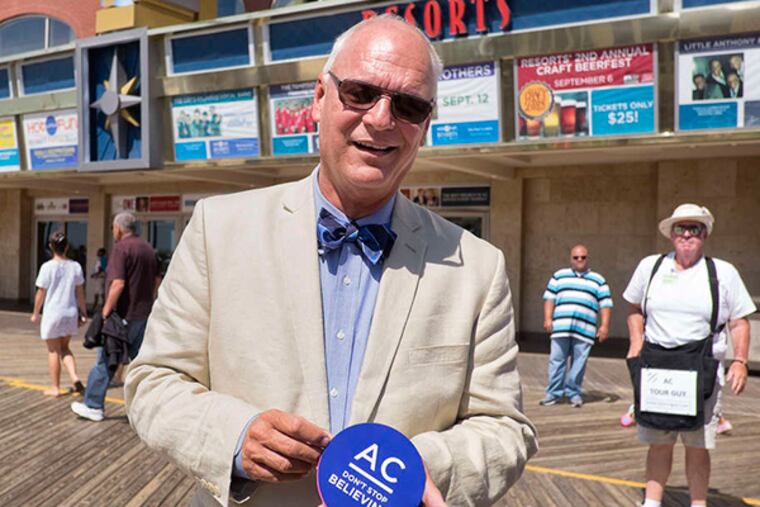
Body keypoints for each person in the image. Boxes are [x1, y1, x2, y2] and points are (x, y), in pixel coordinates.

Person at [125, 14, 537, 507]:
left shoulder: (478, 267)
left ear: (425, 124)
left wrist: (416, 471)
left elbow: (506, 430)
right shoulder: (219, 228)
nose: (381, 119)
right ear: (320, 98)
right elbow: (154, 381)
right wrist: (235, 437)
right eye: (360, 92)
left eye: (407, 105)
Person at [622, 203, 755, 507]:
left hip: (702, 369)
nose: (686, 235)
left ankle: (698, 504)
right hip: (658, 367)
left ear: (704, 234)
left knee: (698, 445)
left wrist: (740, 361)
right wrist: (636, 342)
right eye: (679, 229)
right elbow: (633, 308)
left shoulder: (723, 272)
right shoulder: (650, 267)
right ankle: (652, 503)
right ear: (670, 235)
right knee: (658, 442)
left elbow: (739, 321)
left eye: (693, 229)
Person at [71, 212, 160, 422]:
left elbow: (118, 284)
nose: (113, 231)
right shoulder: (148, 249)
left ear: (118, 228)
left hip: (121, 317)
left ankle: (93, 405)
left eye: (113, 228)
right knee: (141, 363)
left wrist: (105, 313)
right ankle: (146, 410)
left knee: (105, 360)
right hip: (142, 315)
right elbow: (157, 280)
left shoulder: (122, 249)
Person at [540, 244, 613, 408]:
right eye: (576, 257)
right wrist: (547, 318)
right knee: (556, 361)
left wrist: (604, 326)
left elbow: (606, 304)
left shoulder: (598, 280)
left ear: (587, 258)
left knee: (579, 363)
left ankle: (573, 393)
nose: (579, 260)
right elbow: (549, 298)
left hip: (585, 329)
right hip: (561, 327)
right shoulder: (559, 276)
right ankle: (553, 394)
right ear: (570, 258)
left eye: (583, 257)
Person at [31, 232, 87, 397]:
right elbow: (80, 293)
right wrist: (83, 312)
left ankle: (55, 387)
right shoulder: (75, 266)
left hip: (53, 313)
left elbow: (41, 292)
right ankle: (75, 377)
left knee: (53, 350)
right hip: (70, 312)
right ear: (67, 247)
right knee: (65, 348)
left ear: (50, 247)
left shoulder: (47, 267)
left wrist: (35, 312)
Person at [89, 247, 107, 314]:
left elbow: (101, 269)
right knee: (99, 293)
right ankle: (99, 307)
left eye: (99, 252)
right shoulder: (101, 259)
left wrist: (94, 274)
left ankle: (97, 308)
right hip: (99, 278)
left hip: (99, 278)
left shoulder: (102, 259)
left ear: (102, 253)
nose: (97, 253)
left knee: (99, 293)